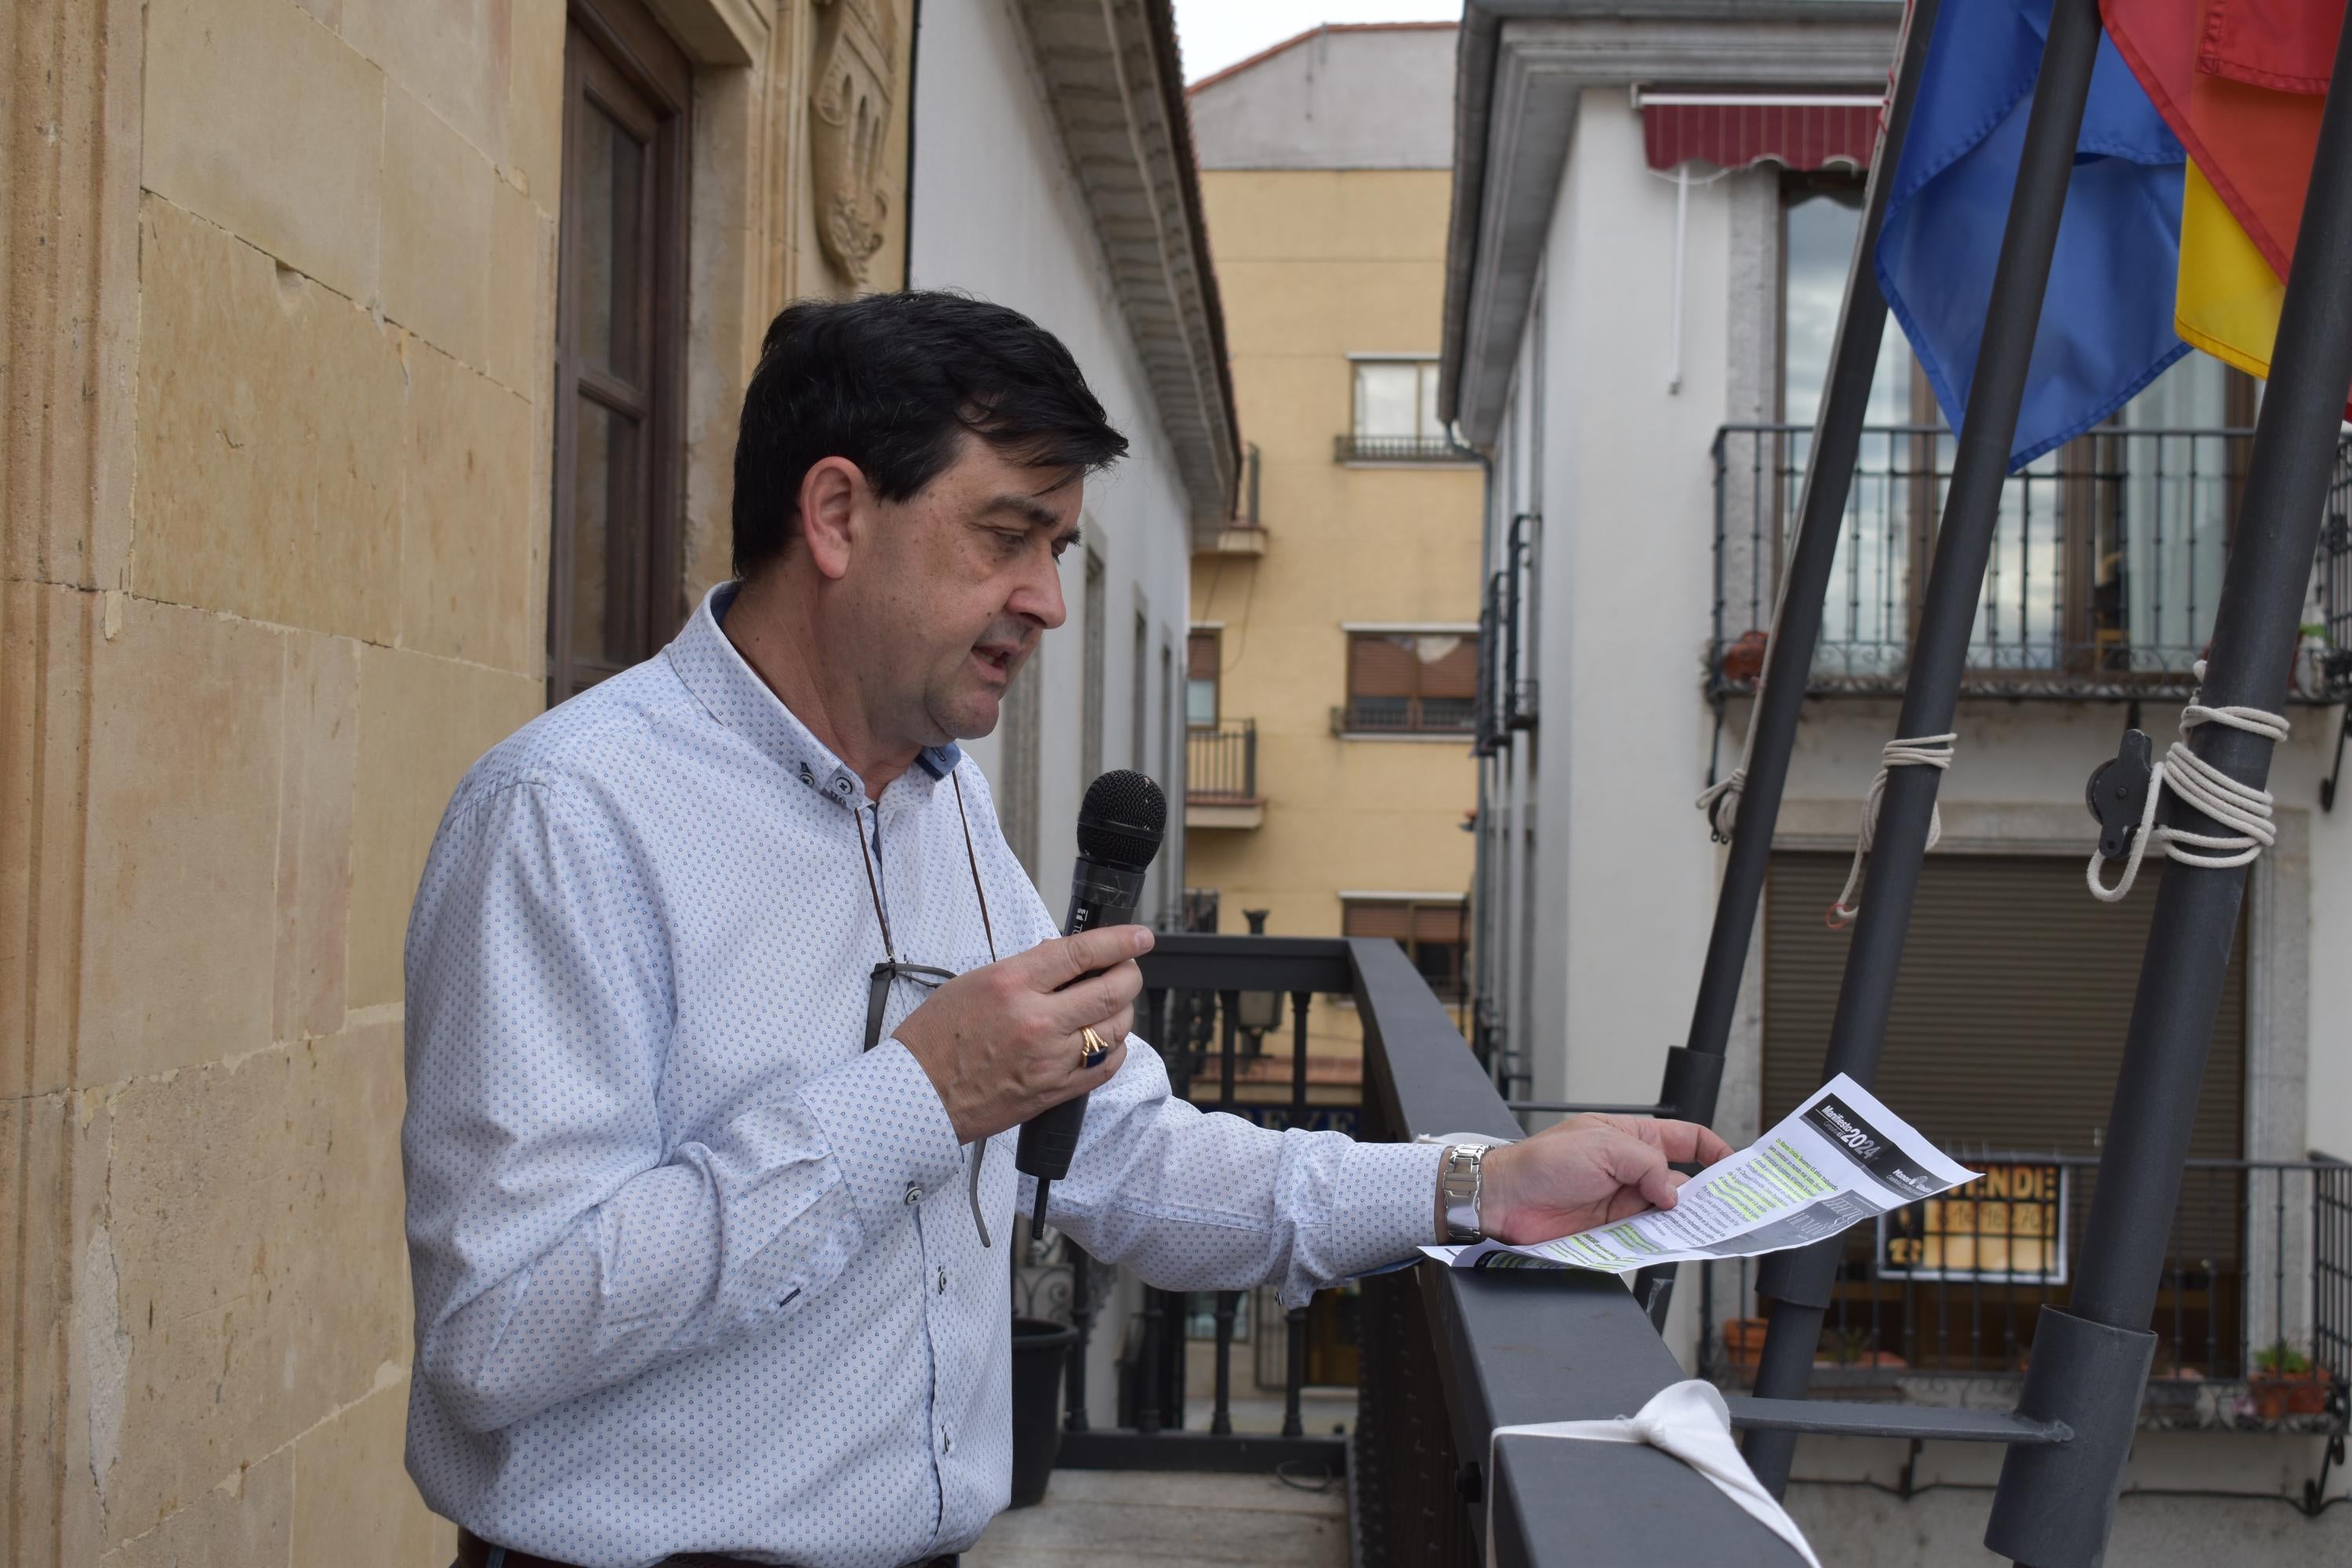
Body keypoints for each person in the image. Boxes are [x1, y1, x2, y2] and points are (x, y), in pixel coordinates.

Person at [400, 292, 1731, 1568]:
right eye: (1006, 536)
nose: (1046, 598)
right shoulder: (567, 816)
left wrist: (1475, 1187)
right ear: (838, 513)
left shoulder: (944, 808)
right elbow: (502, 1331)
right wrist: (919, 1097)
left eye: (1060, 552)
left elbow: (1125, 1160)